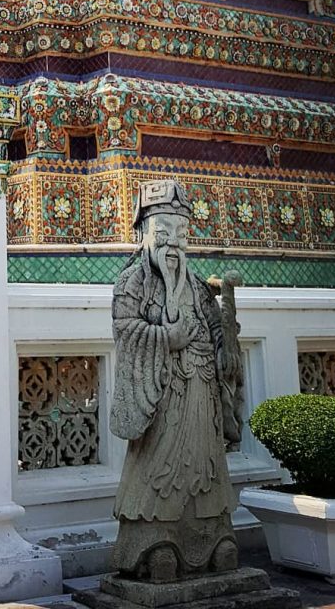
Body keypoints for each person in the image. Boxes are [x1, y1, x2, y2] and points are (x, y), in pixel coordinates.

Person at [109, 179, 242, 582]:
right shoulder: (132, 283)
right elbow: (124, 328)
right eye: (162, 234)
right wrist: (167, 337)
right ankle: (153, 543)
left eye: (180, 235)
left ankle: (214, 535)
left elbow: (217, 326)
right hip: (163, 393)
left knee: (206, 464)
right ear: (143, 234)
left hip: (200, 389)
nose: (172, 245)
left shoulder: (199, 287)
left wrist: (225, 343)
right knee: (160, 464)